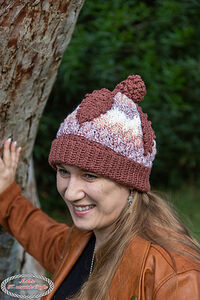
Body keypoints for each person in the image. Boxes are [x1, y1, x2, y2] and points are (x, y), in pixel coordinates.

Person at [0, 75, 200, 300]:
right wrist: (6, 195)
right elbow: (44, 238)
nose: (71, 192)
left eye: (90, 175)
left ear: (130, 183)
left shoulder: (174, 276)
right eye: (64, 171)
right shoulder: (85, 240)